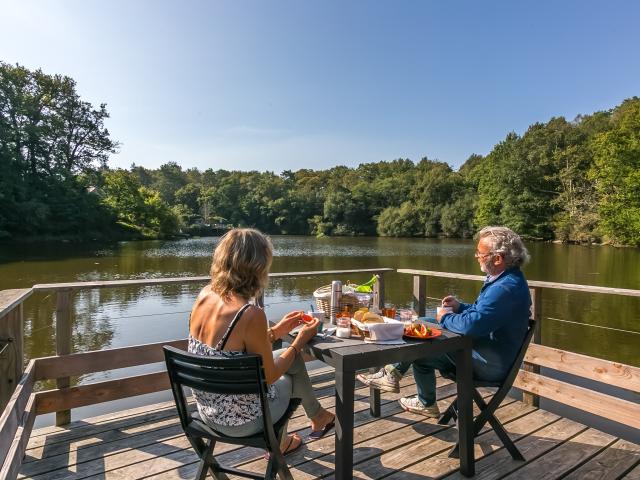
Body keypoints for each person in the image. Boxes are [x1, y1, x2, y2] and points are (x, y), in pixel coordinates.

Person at [188, 228, 335, 455]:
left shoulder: (205, 294)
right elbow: (270, 375)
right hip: (241, 422)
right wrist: (299, 343)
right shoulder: (250, 314)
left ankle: (318, 417)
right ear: (258, 266)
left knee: (289, 361)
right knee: (291, 371)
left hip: (208, 411)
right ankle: (293, 434)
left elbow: (228, 351)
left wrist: (276, 331)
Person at [357, 226, 532, 417]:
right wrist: (460, 307)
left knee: (420, 341)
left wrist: (447, 317)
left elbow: (471, 326)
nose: (477, 257)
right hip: (486, 353)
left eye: (480, 253)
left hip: (489, 364)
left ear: (498, 258)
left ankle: (393, 376)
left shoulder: (504, 288)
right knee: (422, 329)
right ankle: (422, 400)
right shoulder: (505, 279)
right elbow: (484, 314)